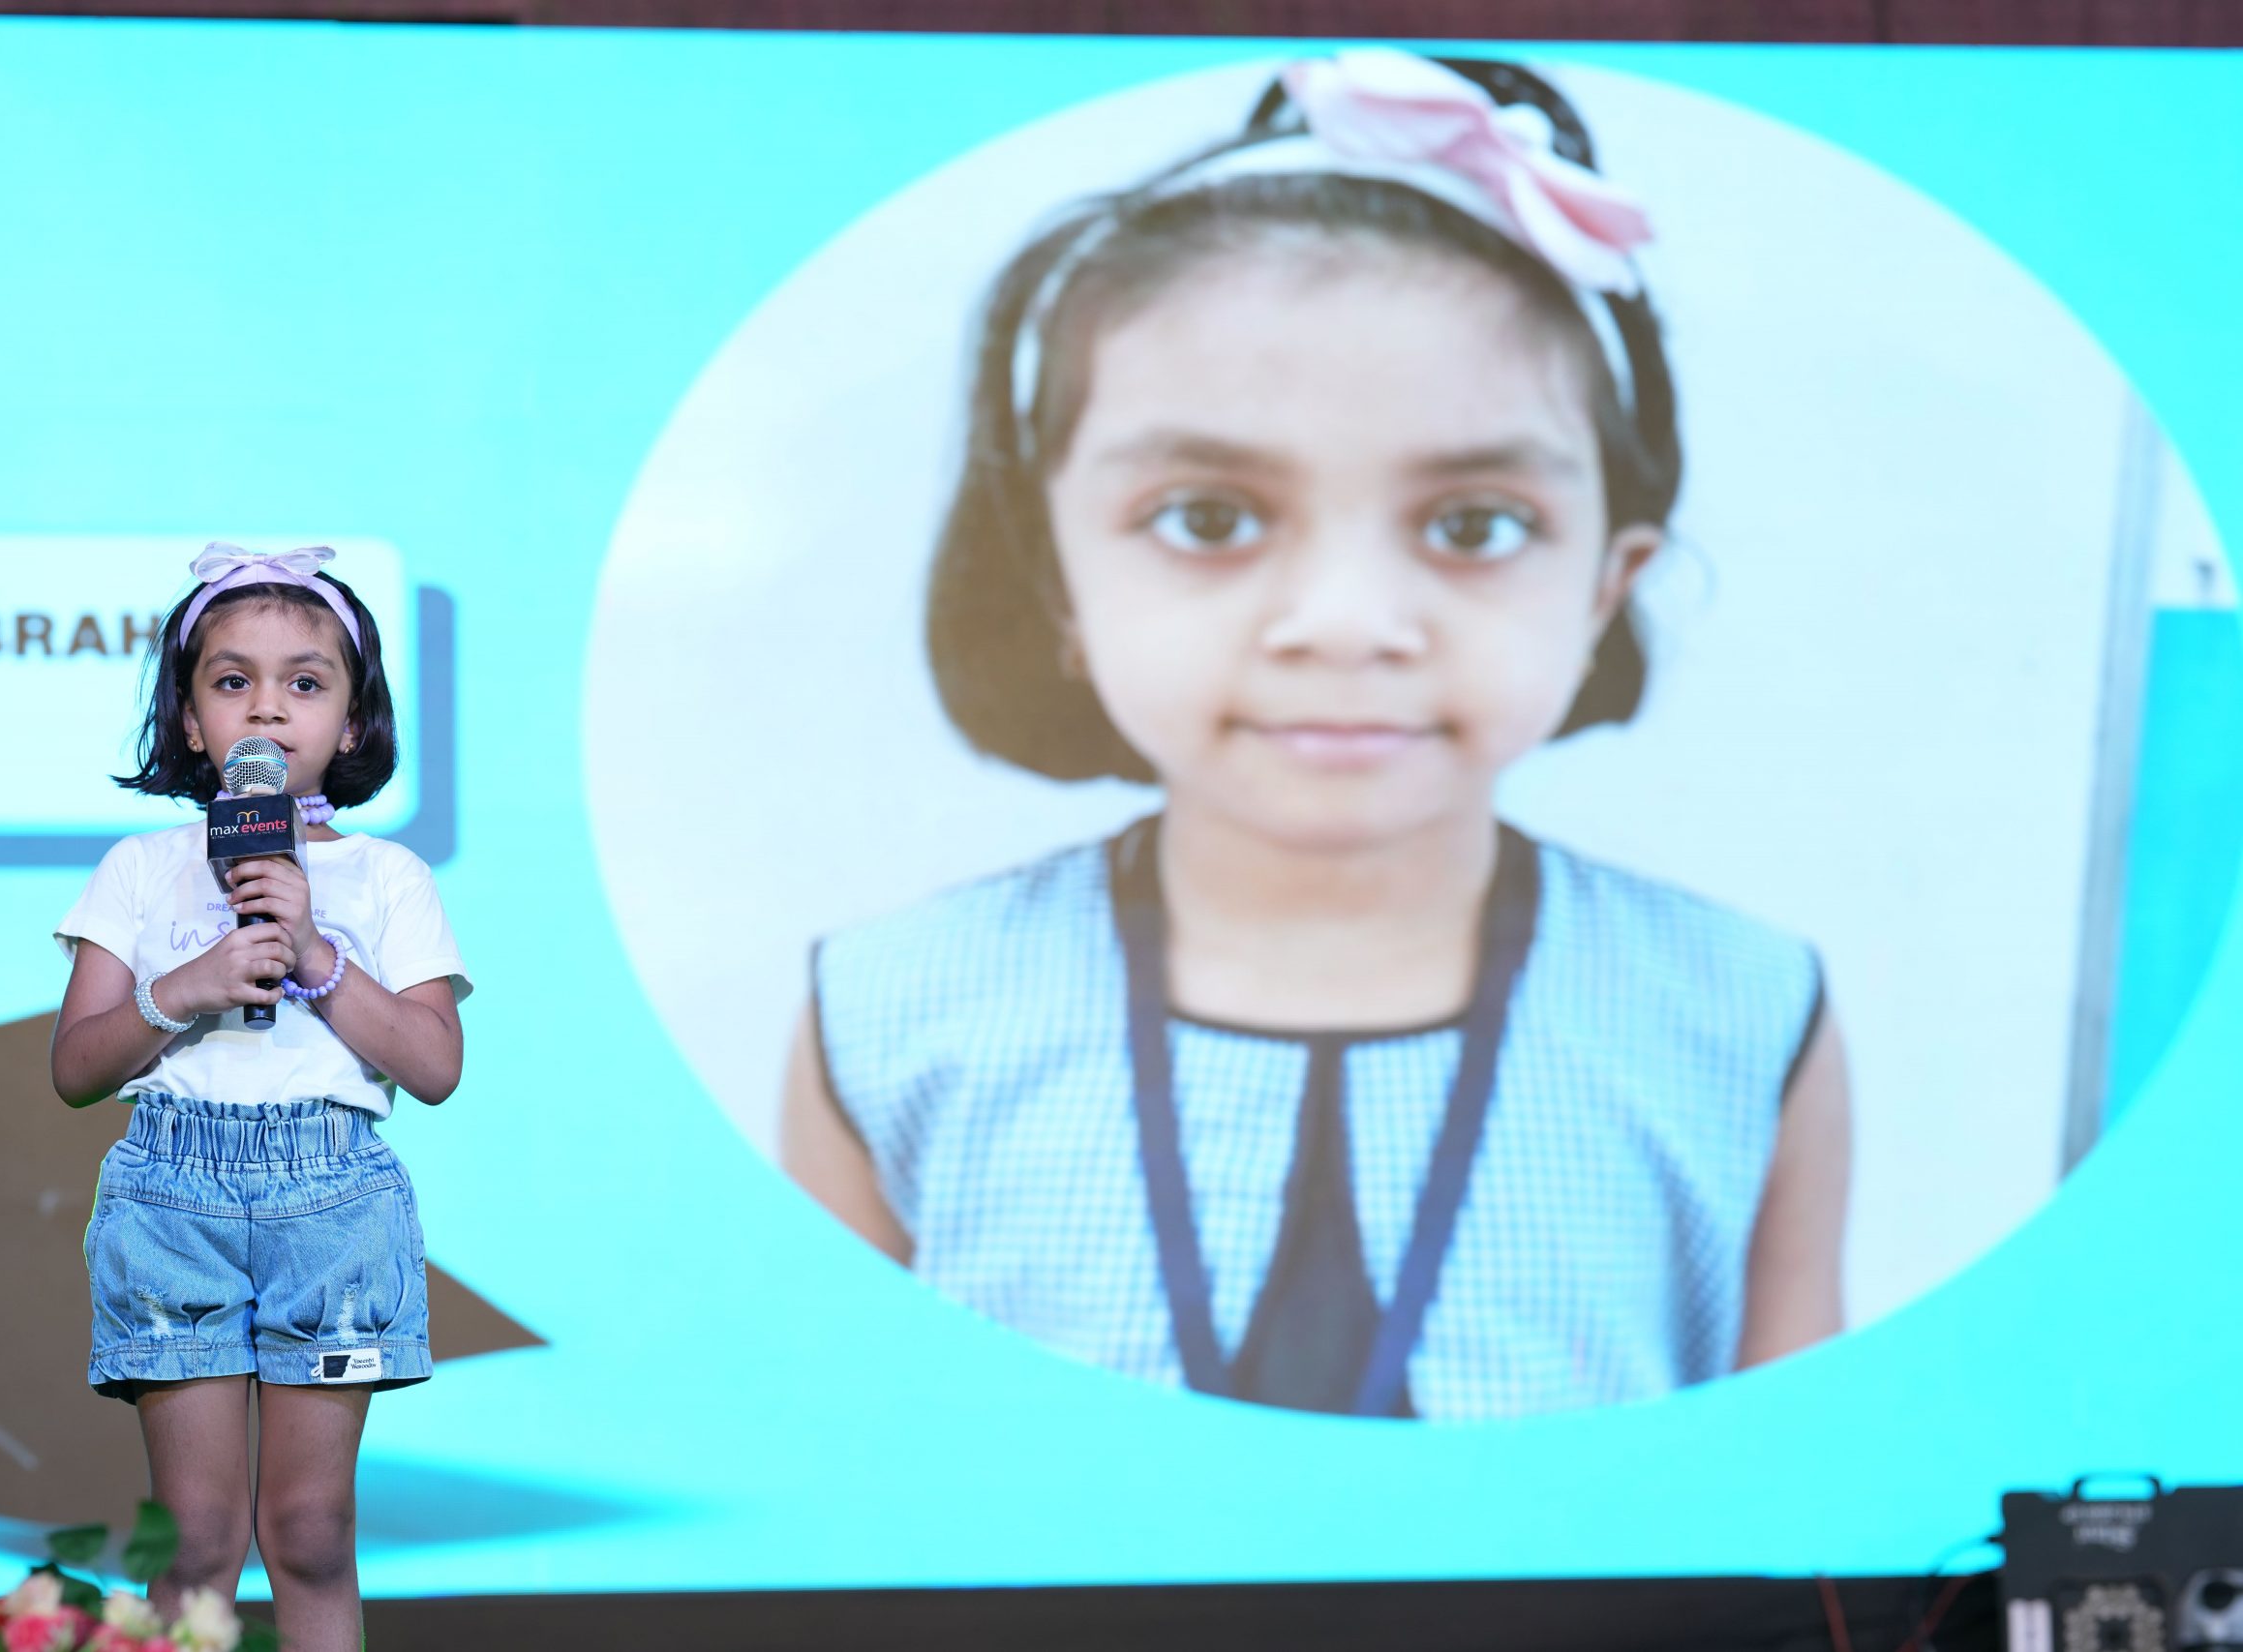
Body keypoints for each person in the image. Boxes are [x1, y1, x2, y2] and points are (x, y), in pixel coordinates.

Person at [781, 50, 1850, 1422]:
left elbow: (1801, 1499)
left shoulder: (1747, 1011)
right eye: (1208, 518)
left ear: (1604, 585)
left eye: (1475, 525)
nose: (1346, 624)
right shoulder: (885, 1012)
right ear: (1055, 578)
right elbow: (837, 1472)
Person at [50, 545, 468, 1650]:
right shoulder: (143, 866)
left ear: (352, 719)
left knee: (312, 1528)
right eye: (232, 681)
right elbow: (77, 1068)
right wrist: (181, 989)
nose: (268, 707)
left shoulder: (386, 877)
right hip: (171, 1200)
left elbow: (434, 1065)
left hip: (331, 1204)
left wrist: (317, 953)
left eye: (305, 682)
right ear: (192, 722)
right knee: (193, 1538)